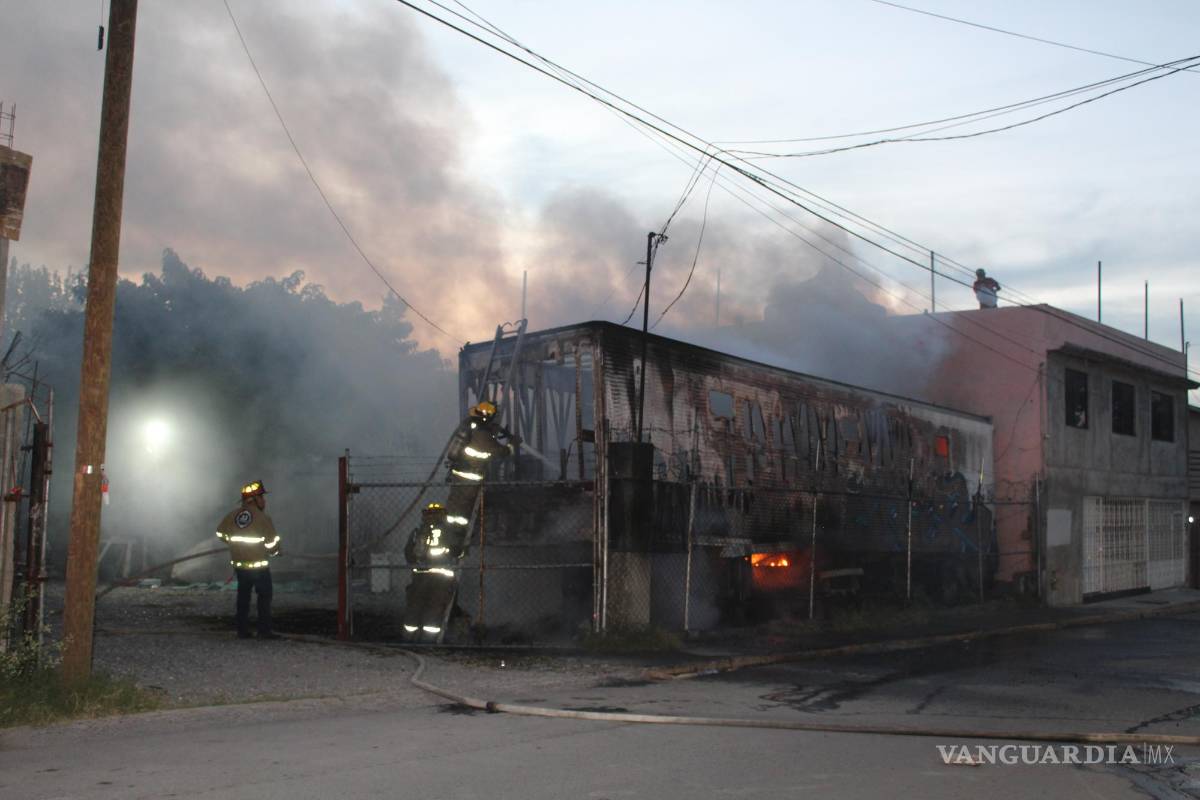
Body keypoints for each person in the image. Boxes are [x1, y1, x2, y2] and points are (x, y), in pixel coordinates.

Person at [215, 480, 282, 639]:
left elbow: (220, 533)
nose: (264, 501)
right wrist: (275, 552)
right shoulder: (263, 518)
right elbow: (272, 543)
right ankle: (264, 632)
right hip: (259, 567)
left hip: (241, 567)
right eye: (262, 497)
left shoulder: (232, 515)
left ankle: (242, 631)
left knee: (243, 597)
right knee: (264, 597)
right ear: (255, 499)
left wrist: (233, 543)